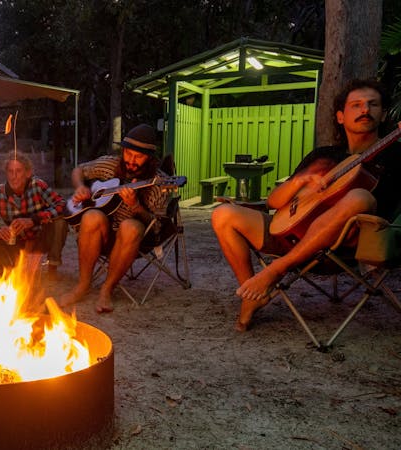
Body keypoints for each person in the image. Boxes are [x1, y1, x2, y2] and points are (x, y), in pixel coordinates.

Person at [211, 78, 401, 332]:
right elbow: (274, 201)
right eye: (356, 105)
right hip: (291, 231)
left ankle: (273, 272)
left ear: (383, 113)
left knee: (359, 197)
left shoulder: (396, 153)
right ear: (341, 116)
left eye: (372, 104)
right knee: (223, 214)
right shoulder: (323, 156)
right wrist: (302, 181)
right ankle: (251, 294)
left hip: (341, 246)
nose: (365, 110)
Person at [61, 124, 170, 313]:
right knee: (92, 216)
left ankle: (106, 289)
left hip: (133, 241)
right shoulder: (109, 164)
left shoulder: (159, 183)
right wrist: (80, 186)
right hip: (102, 236)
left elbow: (157, 227)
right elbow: (78, 170)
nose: (131, 160)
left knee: (130, 227)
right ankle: (83, 285)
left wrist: (136, 206)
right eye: (128, 154)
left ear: (150, 159)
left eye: (139, 156)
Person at [0, 152, 68, 274]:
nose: (14, 176)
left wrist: (34, 220)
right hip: (15, 242)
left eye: (18, 171)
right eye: (10, 171)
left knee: (60, 221)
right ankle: (9, 267)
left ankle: (52, 266)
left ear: (27, 173)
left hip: (39, 239)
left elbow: (61, 205)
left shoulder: (37, 186)